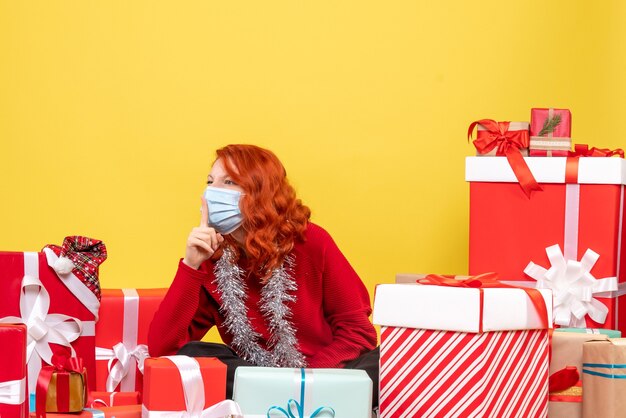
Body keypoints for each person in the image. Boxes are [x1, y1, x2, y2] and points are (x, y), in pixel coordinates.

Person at [148, 144, 379, 405]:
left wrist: (306, 381)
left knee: (385, 363)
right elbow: (163, 350)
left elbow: (358, 331)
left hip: (326, 373)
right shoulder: (212, 257)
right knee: (191, 356)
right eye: (210, 182)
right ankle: (281, 398)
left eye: (229, 182)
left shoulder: (312, 241)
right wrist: (190, 265)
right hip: (256, 377)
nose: (213, 192)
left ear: (260, 192)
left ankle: (289, 399)